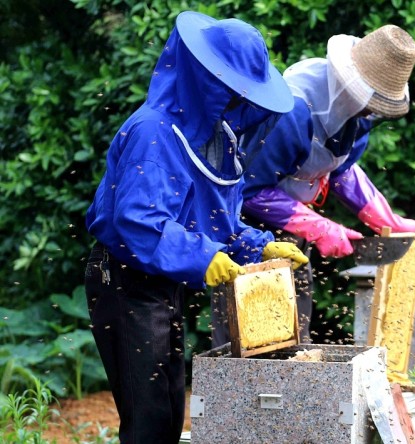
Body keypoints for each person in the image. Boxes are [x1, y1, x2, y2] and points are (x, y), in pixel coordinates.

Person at [84, 11, 308, 444]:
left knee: (169, 409)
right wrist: (201, 257)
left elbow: (216, 223)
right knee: (148, 420)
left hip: (162, 283)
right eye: (228, 88)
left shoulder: (217, 140)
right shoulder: (153, 131)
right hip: (124, 282)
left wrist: (259, 248)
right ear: (204, 79)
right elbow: (138, 222)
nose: (236, 100)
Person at [241, 24, 415, 343]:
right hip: (248, 230)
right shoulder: (293, 111)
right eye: (371, 103)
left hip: (291, 226)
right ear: (352, 85)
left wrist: (388, 220)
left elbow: (342, 169)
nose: (373, 112)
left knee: (293, 333)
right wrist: (319, 227)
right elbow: (249, 190)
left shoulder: (360, 115)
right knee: (257, 339)